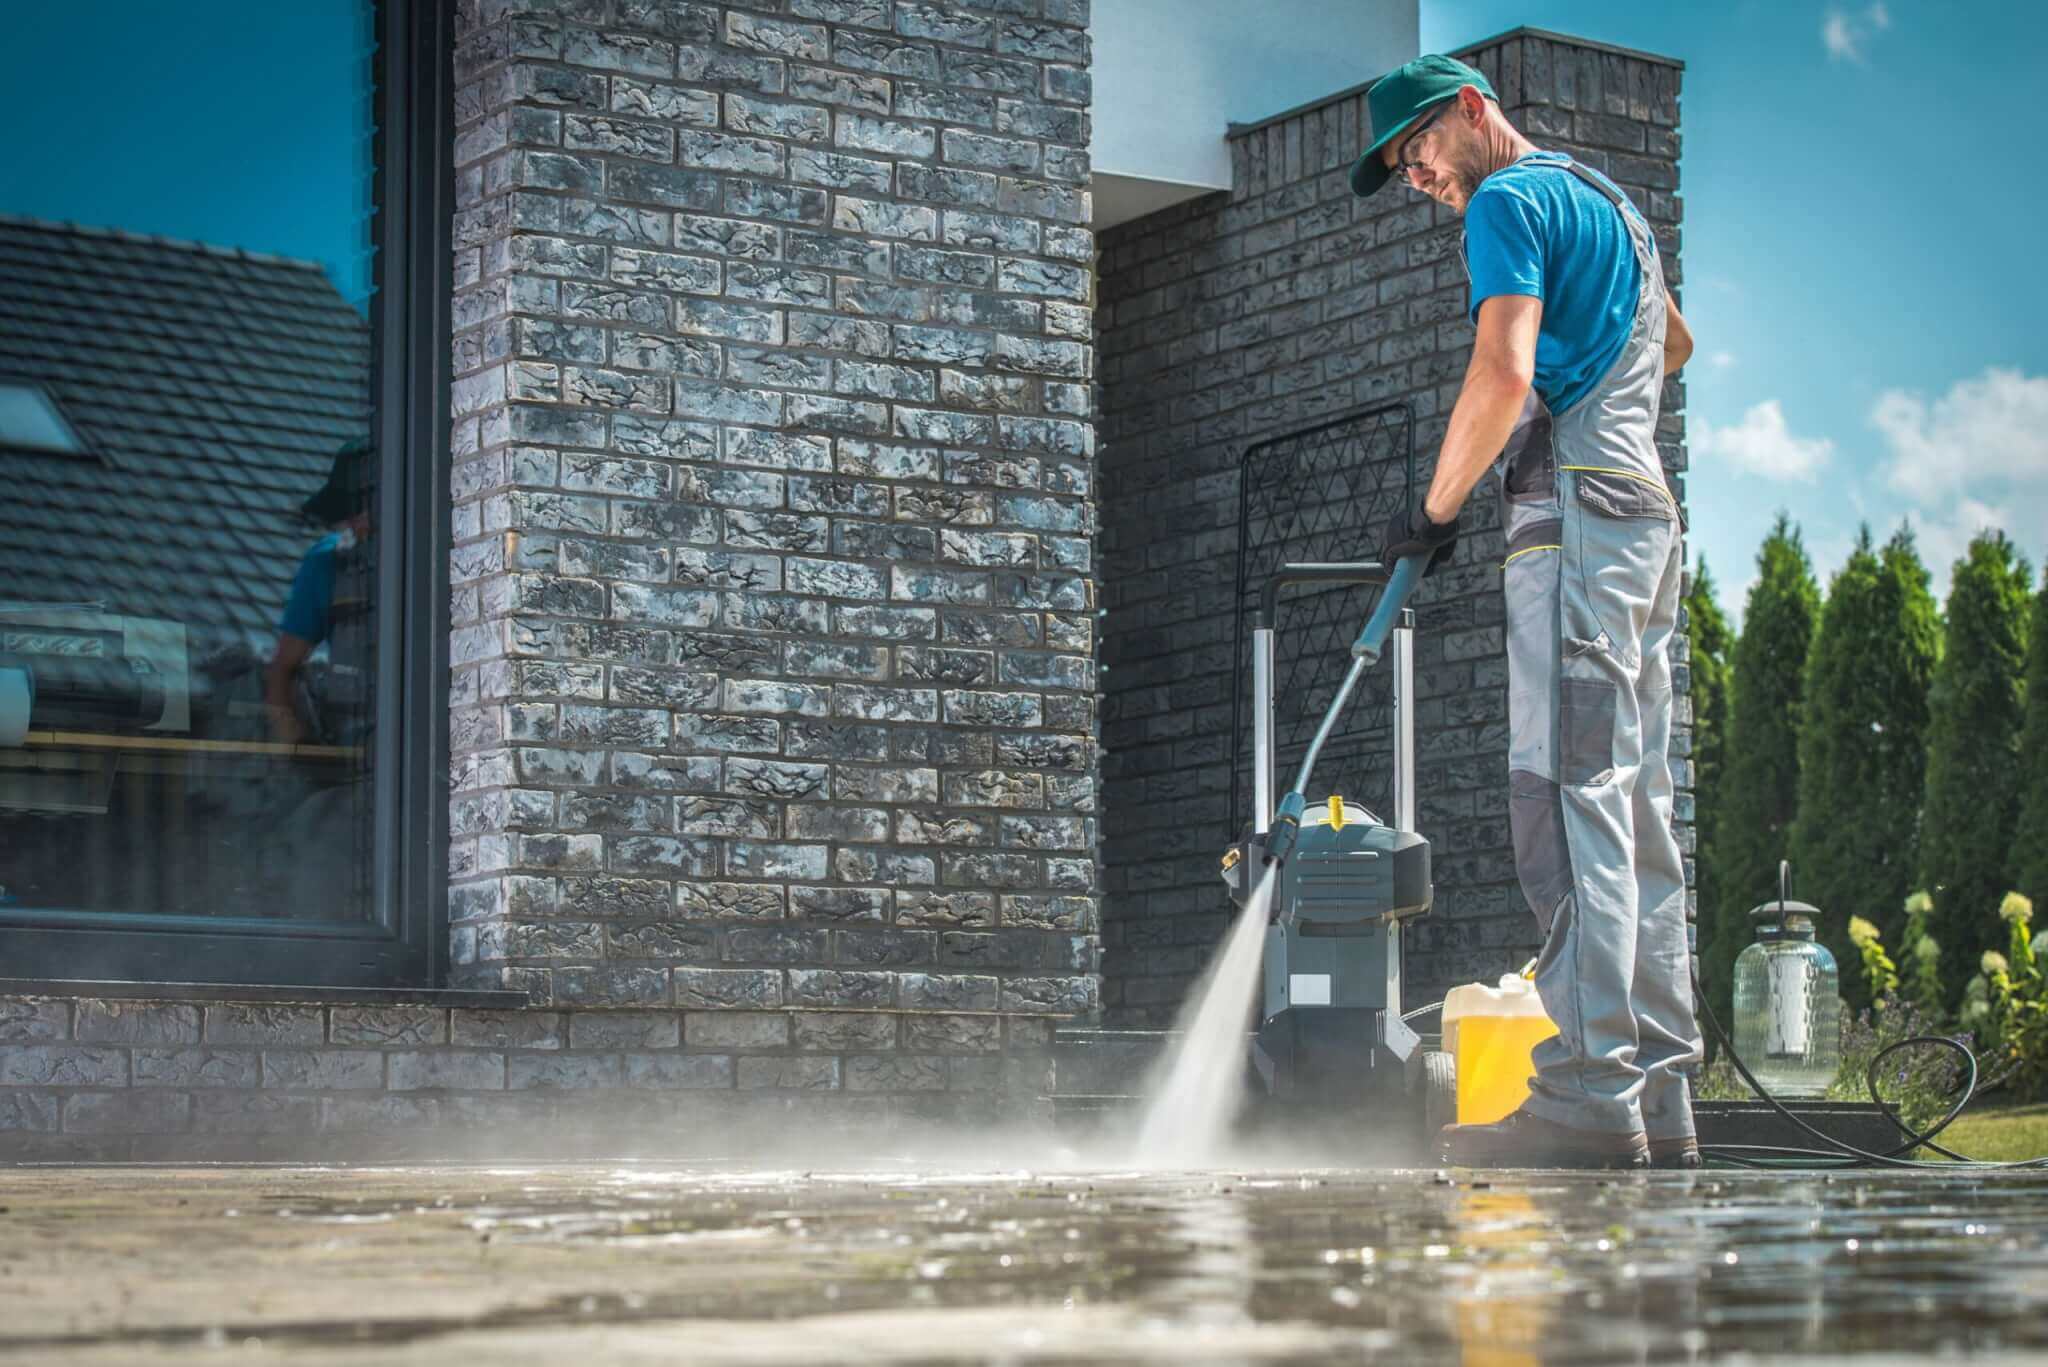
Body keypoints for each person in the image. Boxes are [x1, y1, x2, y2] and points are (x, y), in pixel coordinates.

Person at [1355, 55, 1701, 1168]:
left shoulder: (1504, 199)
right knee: (1632, 803)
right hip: (1642, 515)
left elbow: (1500, 375)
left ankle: (1587, 1091)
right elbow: (1674, 345)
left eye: (1415, 146)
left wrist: (1431, 508)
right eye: (1400, 167)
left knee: (1562, 794)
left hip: (1578, 525)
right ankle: (1657, 1093)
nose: (1414, 174)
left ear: (1470, 107)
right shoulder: (1610, 206)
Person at [266, 441, 372, 747]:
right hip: (355, 759)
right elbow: (281, 674)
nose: (354, 524)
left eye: (360, 512)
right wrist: (299, 750)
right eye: (350, 514)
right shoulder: (328, 563)